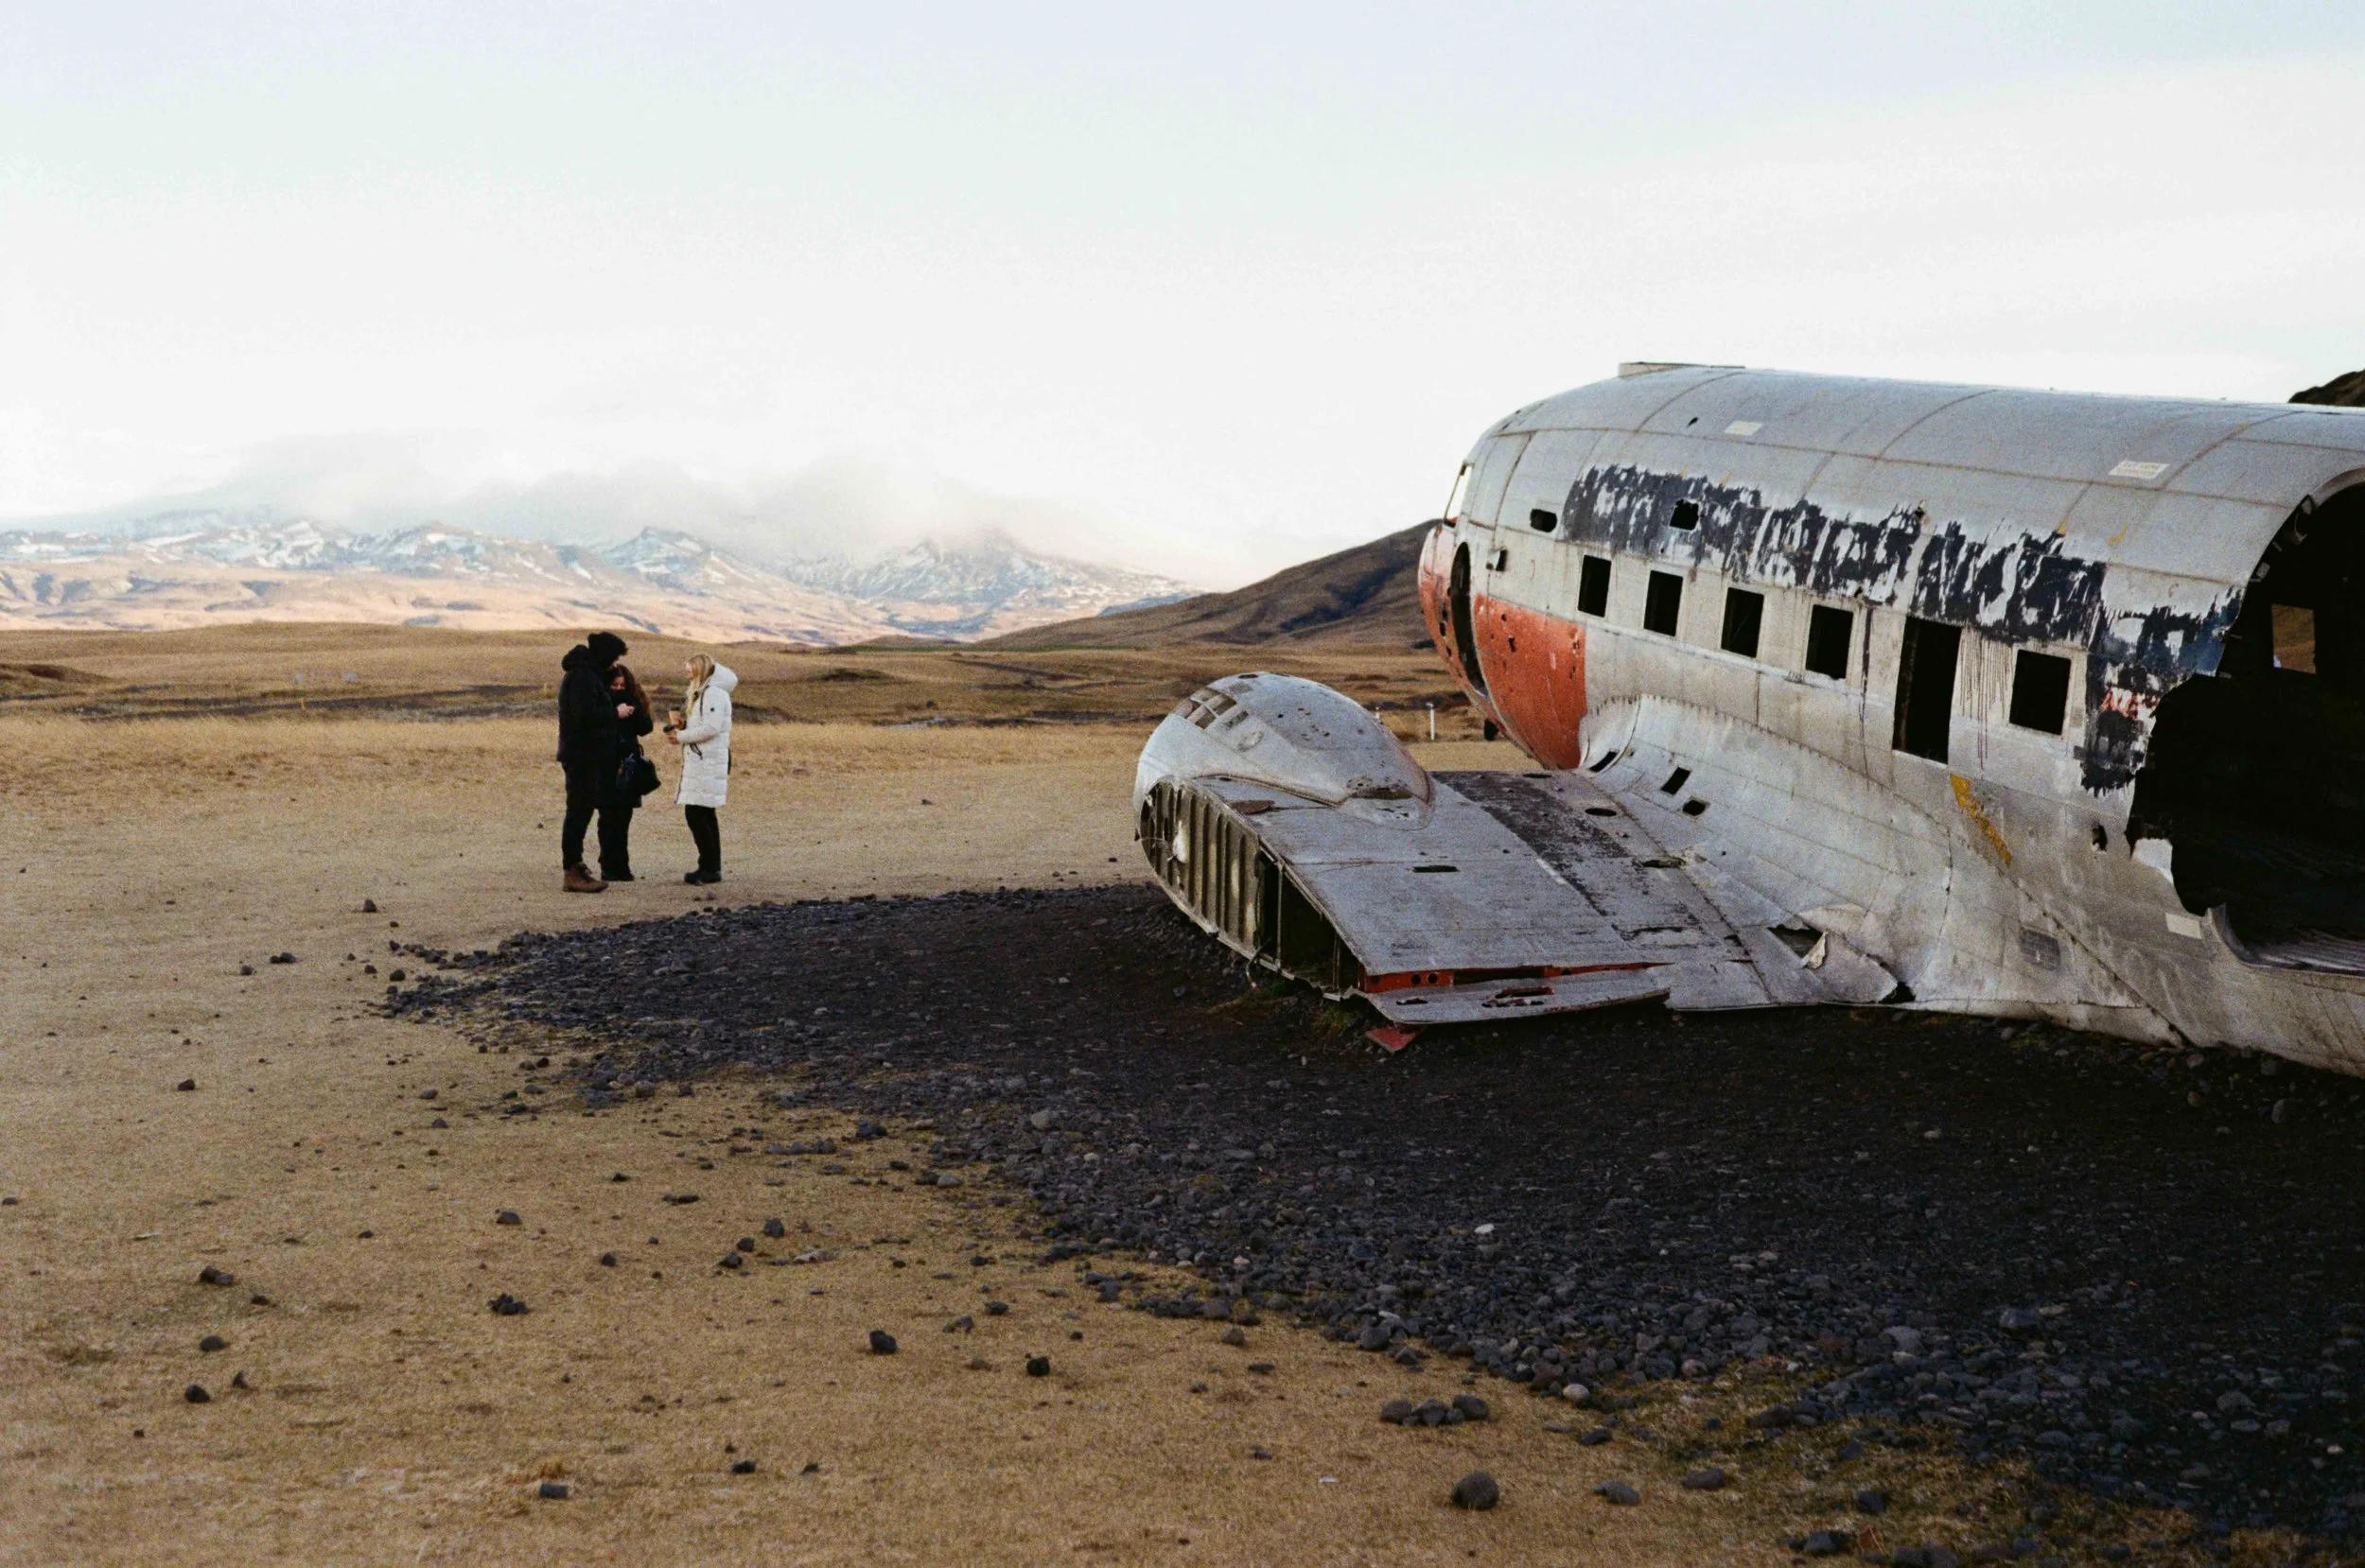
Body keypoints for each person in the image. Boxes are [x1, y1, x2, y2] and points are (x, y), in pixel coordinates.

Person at [555, 630, 632, 893]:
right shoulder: (582, 677)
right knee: (578, 811)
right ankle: (572, 870)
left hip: (588, 756)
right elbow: (585, 714)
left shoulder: (587, 675)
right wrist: (614, 712)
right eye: (613, 659)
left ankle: (576, 868)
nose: (614, 665)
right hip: (582, 757)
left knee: (582, 810)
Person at [664, 653, 735, 884]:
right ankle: (710, 865)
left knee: (696, 812)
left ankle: (709, 865)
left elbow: (711, 727)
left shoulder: (712, 693)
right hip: (704, 758)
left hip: (706, 759)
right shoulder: (706, 693)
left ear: (700, 670)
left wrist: (682, 736)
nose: (687, 673)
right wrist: (685, 726)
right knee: (704, 811)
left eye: (690, 669)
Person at [597, 662, 657, 881]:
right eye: (615, 685)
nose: (619, 689)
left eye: (623, 685)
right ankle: (608, 865)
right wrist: (614, 714)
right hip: (605, 766)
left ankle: (621, 865)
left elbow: (646, 727)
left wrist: (633, 712)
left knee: (623, 817)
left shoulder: (633, 701)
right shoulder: (601, 705)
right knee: (608, 817)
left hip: (628, 766)